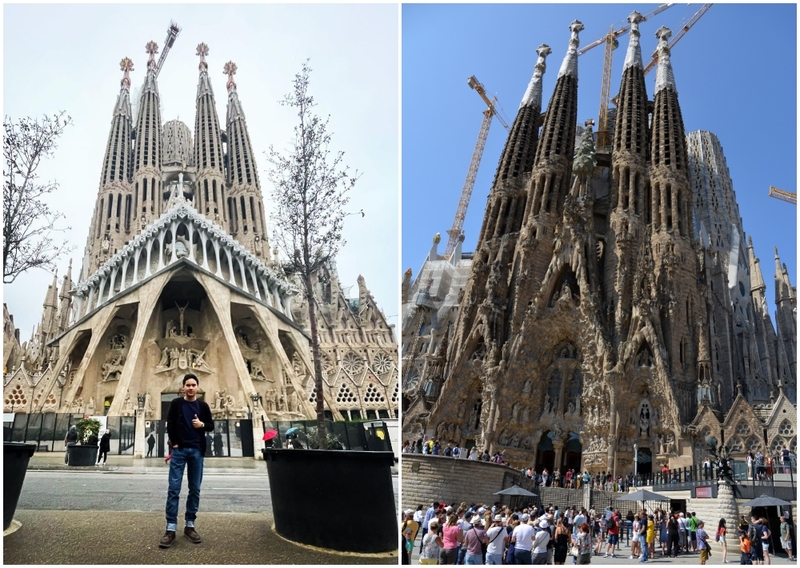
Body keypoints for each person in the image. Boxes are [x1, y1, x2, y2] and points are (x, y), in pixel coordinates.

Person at [160, 373, 214, 549]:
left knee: (195, 489)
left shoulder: (203, 406)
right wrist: (175, 444)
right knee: (174, 489)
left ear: (197, 387)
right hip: (180, 451)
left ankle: (190, 525)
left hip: (197, 451)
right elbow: (171, 424)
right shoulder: (177, 404)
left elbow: (211, 425)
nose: (190, 388)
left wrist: (202, 425)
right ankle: (170, 528)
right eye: (188, 385)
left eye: (193, 385)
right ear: (183, 387)